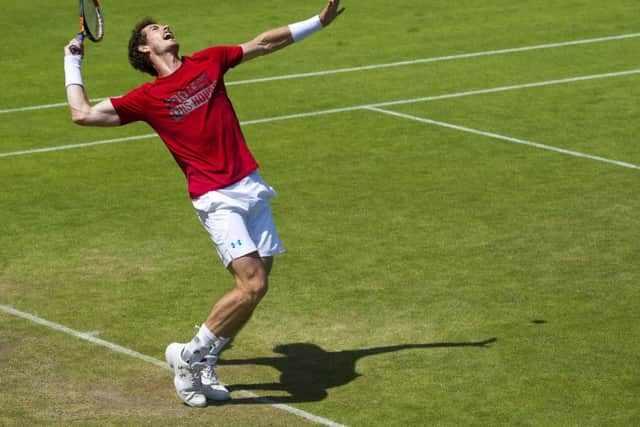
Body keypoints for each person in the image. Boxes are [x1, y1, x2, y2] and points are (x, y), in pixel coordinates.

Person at [63, 0, 344, 407]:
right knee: (252, 283)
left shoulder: (209, 62)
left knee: (255, 289)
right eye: (156, 29)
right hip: (215, 197)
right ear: (144, 49)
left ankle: (206, 357)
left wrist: (317, 22)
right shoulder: (147, 97)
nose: (166, 27)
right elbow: (82, 114)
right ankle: (188, 356)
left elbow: (262, 44)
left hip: (251, 185)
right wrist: (72, 64)